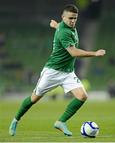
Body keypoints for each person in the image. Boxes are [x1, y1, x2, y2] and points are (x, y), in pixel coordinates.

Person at [9, 4, 106, 137]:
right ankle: (15, 120)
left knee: (82, 96)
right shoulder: (64, 32)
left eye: (75, 18)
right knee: (33, 99)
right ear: (63, 17)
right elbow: (73, 52)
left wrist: (55, 25)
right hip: (52, 71)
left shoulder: (64, 26)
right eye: (70, 18)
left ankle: (61, 121)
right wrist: (94, 53)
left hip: (68, 72)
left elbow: (59, 26)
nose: (73, 21)